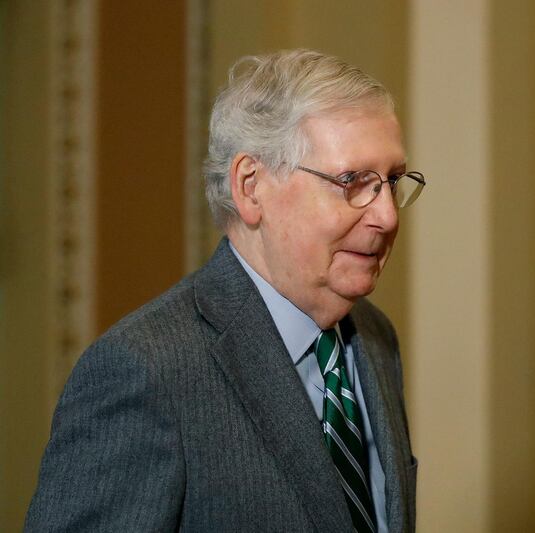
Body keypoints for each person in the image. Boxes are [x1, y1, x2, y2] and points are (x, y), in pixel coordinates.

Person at [25, 49, 423, 532]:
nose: (388, 216)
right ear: (251, 186)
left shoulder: (375, 339)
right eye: (353, 181)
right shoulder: (145, 371)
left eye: (393, 181)